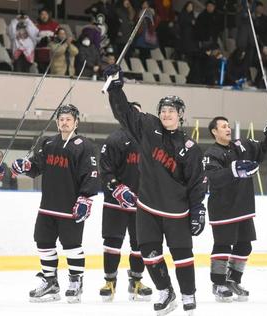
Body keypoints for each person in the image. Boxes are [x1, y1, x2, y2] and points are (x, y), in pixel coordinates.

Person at [104, 64, 207, 315]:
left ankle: (188, 293)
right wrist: (115, 86)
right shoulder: (148, 128)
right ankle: (165, 291)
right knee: (149, 253)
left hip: (177, 212)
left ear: (180, 114)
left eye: (171, 110)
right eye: (163, 109)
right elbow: (125, 113)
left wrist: (197, 210)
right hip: (147, 207)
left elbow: (197, 182)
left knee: (182, 255)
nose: (166, 113)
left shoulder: (190, 147)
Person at [10, 104, 100, 303]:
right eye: (61, 119)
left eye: (68, 119)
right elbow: (36, 167)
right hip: (48, 206)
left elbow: (91, 173)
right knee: (43, 242)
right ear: (57, 122)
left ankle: (76, 281)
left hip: (71, 208)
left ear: (76, 122)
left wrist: (85, 197)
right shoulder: (48, 143)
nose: (64, 122)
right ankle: (50, 282)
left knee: (71, 245)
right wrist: (25, 166)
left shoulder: (84, 145)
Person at [204, 116, 267, 302]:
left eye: (228, 125)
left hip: (243, 206)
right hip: (223, 208)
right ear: (214, 132)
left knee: (244, 245)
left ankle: (232, 280)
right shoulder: (212, 153)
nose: (228, 129)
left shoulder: (241, 145)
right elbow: (213, 177)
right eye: (223, 126)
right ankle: (218, 283)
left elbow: (263, 150)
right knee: (223, 246)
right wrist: (235, 170)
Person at [98, 105, 153, 302]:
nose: (134, 117)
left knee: (140, 244)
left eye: (138, 113)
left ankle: (136, 281)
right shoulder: (115, 140)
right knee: (112, 243)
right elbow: (105, 170)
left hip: (143, 203)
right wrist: (116, 188)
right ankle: (110, 281)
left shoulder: (150, 140)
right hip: (116, 203)